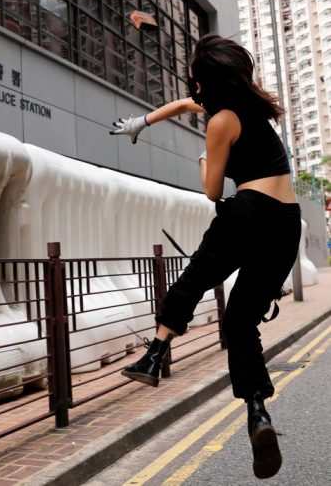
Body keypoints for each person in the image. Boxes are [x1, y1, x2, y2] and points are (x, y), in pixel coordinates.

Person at [109, 34, 301, 480]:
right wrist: (144, 120)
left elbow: (213, 191)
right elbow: (182, 106)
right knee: (240, 320)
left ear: (206, 82)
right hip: (286, 223)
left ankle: (155, 354)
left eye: (195, 79)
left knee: (193, 280)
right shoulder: (250, 107)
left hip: (248, 212)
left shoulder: (221, 123)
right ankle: (257, 412)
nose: (192, 87)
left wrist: (203, 160)